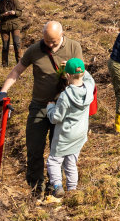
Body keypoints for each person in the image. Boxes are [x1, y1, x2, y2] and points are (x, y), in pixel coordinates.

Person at [0, 21, 83, 196]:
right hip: (40, 107)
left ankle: (54, 185)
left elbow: (83, 77)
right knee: (34, 148)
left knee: (57, 151)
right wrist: (3, 90)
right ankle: (36, 187)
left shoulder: (74, 47)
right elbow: (17, 71)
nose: (50, 45)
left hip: (63, 108)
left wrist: (72, 71)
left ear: (62, 35)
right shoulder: (35, 50)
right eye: (47, 41)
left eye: (54, 42)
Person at [45, 57, 94, 199]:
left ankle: (57, 186)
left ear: (67, 75)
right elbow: (90, 80)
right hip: (80, 134)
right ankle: (72, 190)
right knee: (71, 161)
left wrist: (50, 108)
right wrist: (84, 71)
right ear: (83, 74)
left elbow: (56, 118)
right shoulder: (89, 89)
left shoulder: (65, 96)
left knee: (54, 160)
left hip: (64, 135)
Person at [0, 0, 24, 67]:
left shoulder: (15, 1)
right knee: (5, 46)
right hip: (4, 26)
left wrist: (14, 12)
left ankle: (19, 64)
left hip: (15, 25)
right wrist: (4, 14)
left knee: (16, 43)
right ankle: (4, 65)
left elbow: (20, 12)